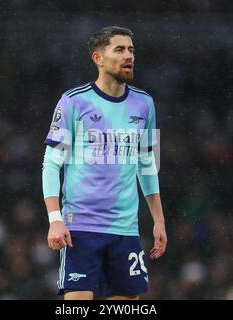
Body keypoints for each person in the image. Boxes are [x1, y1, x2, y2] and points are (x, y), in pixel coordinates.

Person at [42, 26, 167, 300]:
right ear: (98, 58)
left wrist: (158, 220)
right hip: (81, 227)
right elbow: (52, 163)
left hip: (125, 229)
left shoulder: (145, 104)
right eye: (119, 49)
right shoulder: (73, 101)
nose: (128, 56)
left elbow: (147, 163)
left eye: (131, 50)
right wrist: (55, 219)